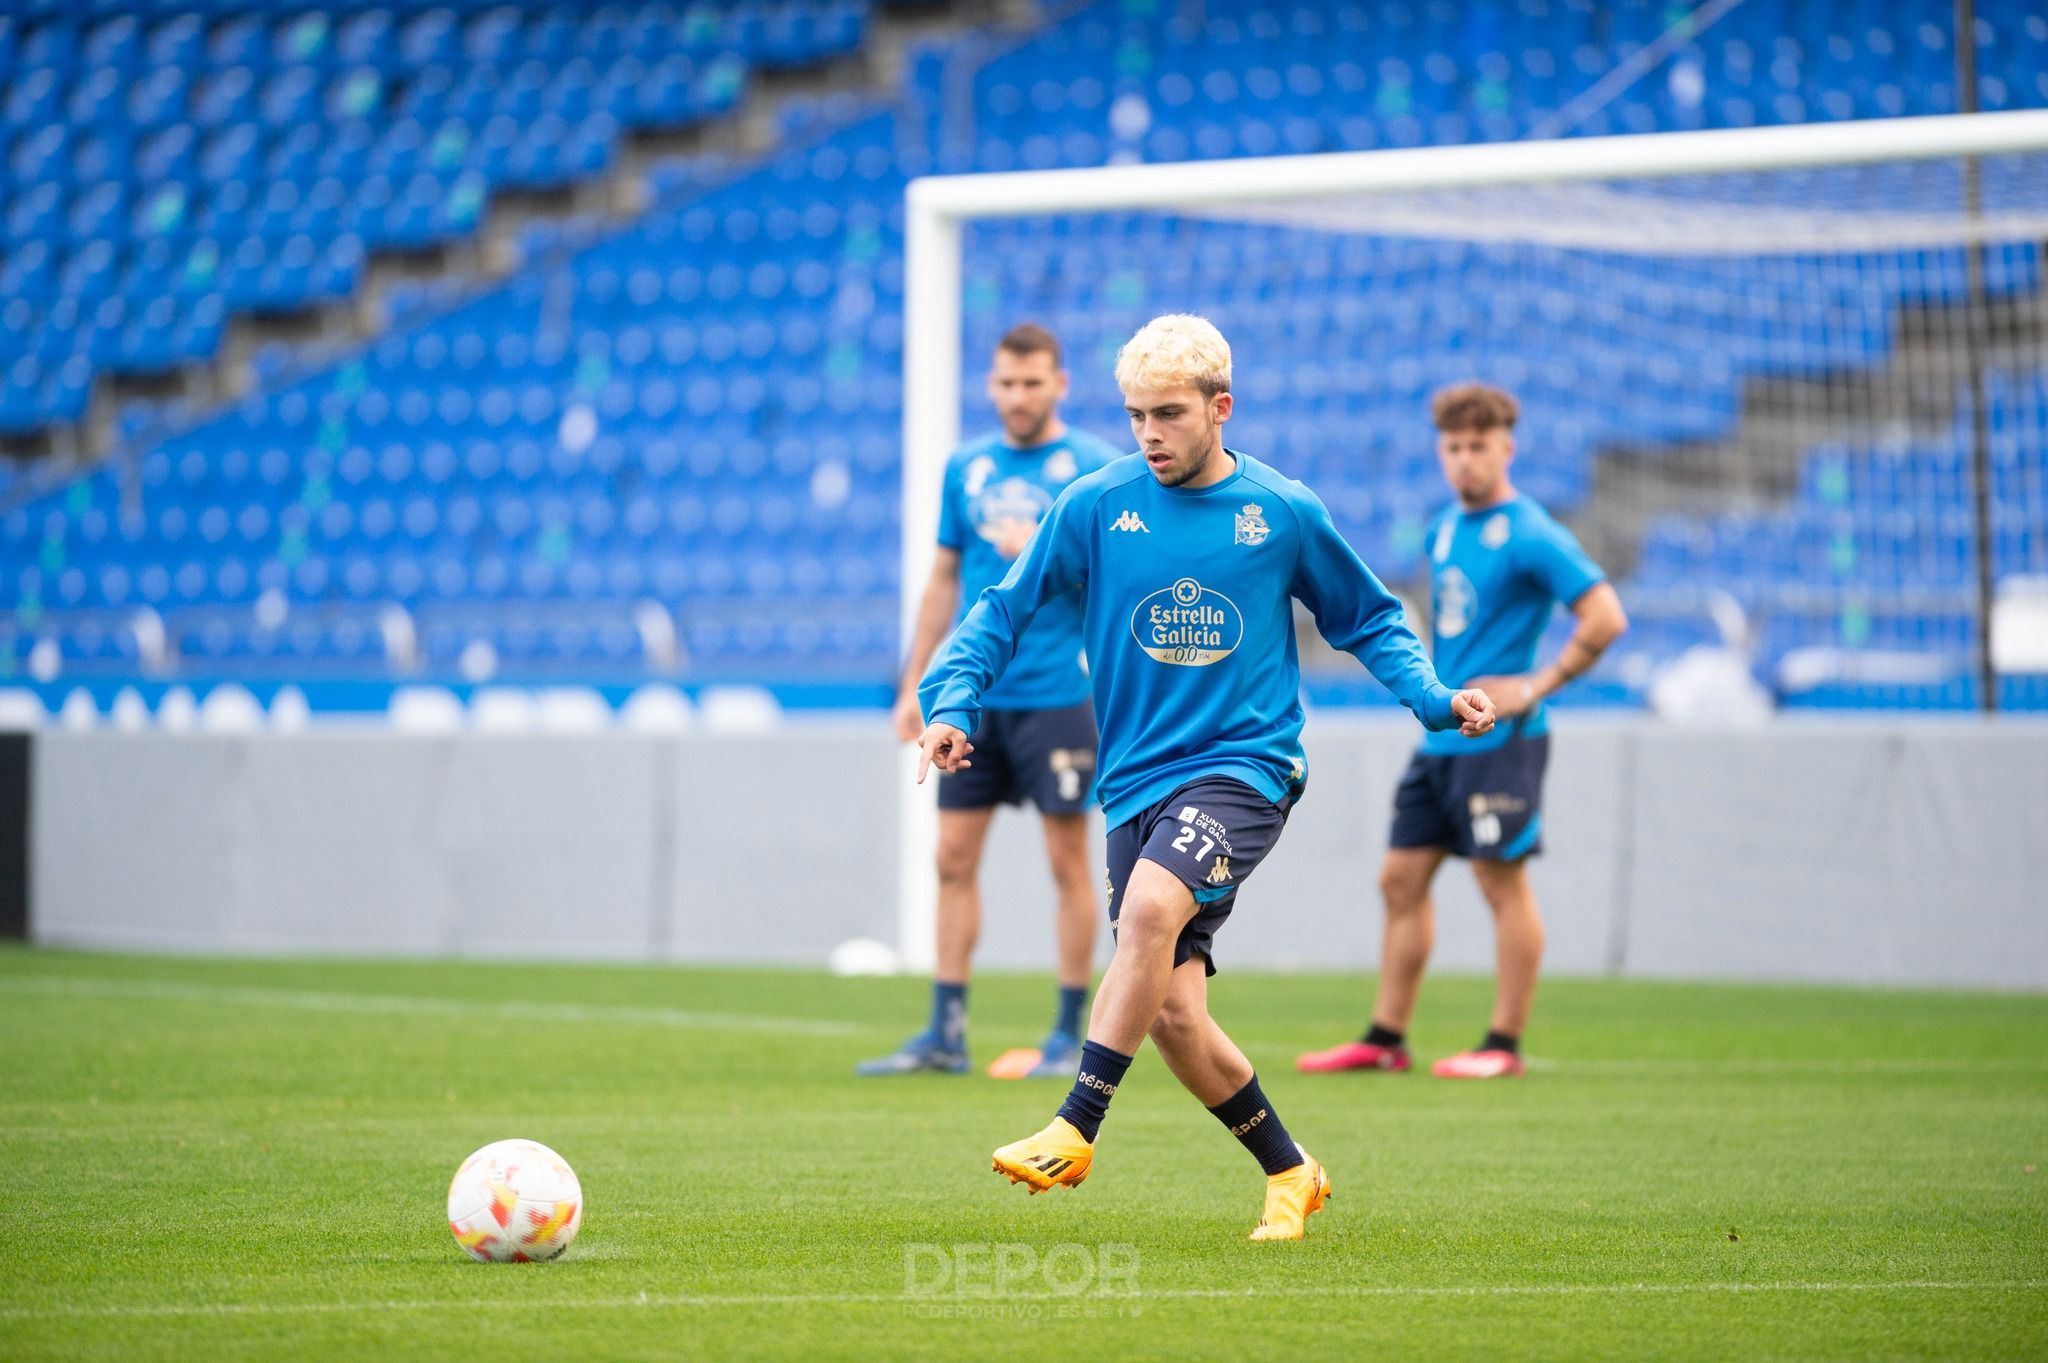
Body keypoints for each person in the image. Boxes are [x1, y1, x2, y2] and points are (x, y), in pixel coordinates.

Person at [913, 315, 1497, 1240]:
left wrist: (1432, 697)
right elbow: (1000, 609)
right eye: (1136, 415)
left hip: (1246, 765)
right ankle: (1291, 1170)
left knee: (1150, 910)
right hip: (1134, 782)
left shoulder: (1281, 510)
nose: (1149, 434)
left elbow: (1369, 618)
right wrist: (952, 701)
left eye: (1170, 414)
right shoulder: (1095, 504)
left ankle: (1075, 1124)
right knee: (1174, 1014)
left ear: (1221, 408)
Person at [1296, 382, 1627, 1081]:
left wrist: (1532, 686)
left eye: (1479, 446)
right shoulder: (1443, 527)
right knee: (1399, 879)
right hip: (1444, 734)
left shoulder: (1531, 531)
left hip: (1503, 738)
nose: (1465, 459)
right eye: (1453, 447)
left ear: (1507, 448)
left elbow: (1605, 617)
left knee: (1498, 881)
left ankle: (1503, 1044)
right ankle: (1386, 1037)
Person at [858, 324, 1121, 1079]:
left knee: (1067, 861)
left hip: (1058, 694)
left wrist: (1043, 549)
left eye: (1032, 382)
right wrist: (917, 681)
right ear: (991, 385)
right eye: (1006, 382)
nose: (1018, 396)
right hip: (973, 698)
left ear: (1059, 385)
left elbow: (1118, 578)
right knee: (950, 857)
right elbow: (945, 577)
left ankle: (1068, 1034)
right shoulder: (965, 466)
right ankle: (946, 1033)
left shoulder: (1096, 469)